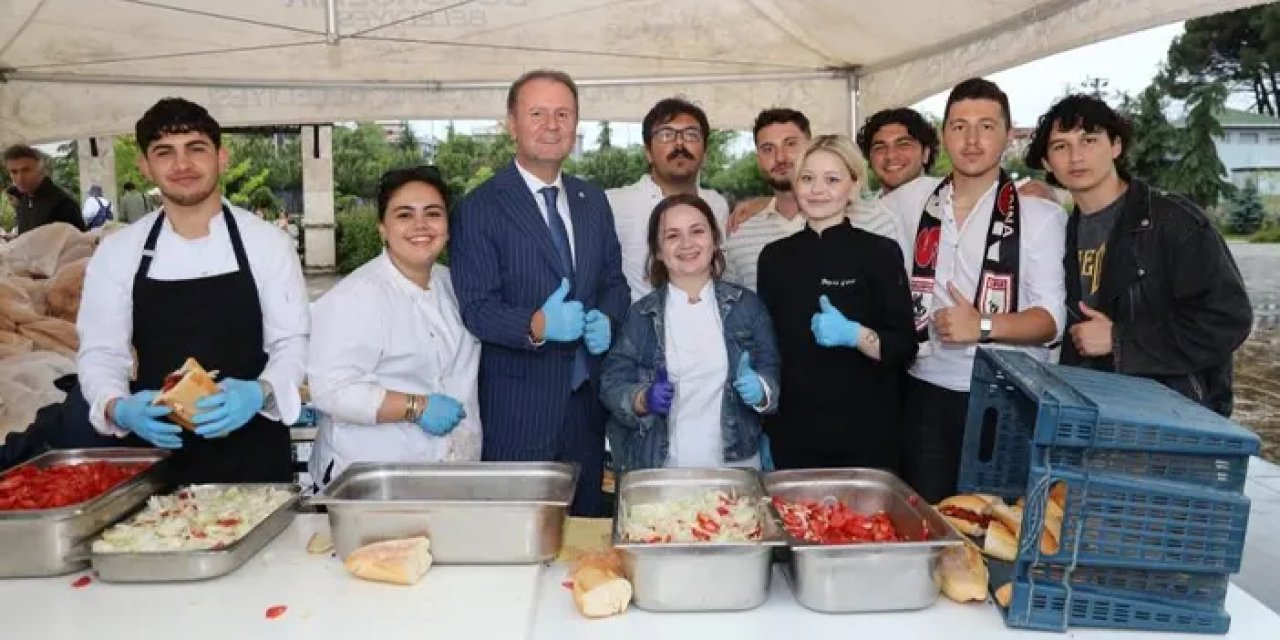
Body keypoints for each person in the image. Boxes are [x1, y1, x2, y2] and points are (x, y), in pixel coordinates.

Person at [76, 98, 309, 484]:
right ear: (144, 166)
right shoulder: (119, 252)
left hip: (255, 451)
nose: (182, 165)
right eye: (164, 153)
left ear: (222, 157)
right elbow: (100, 351)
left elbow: (292, 344)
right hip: (157, 457)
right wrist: (118, 407)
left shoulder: (267, 244)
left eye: (195, 149)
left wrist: (260, 393)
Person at [449, 70, 629, 517]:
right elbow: (476, 307)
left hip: (586, 405)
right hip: (518, 409)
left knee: (585, 529)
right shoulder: (480, 207)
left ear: (576, 123)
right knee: (518, 531)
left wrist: (607, 315)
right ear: (512, 124)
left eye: (563, 113)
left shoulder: (592, 200)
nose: (552, 124)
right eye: (537, 113)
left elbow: (614, 281)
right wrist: (537, 324)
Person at [877, 78, 1066, 503]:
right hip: (924, 389)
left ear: (1008, 134)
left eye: (986, 126)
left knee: (994, 523)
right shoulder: (913, 201)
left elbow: (1052, 321)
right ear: (943, 135)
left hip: (1005, 394)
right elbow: (843, 202)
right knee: (928, 519)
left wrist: (982, 324)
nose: (973, 140)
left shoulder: (1039, 214)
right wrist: (770, 204)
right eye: (959, 126)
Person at [1026, 94, 1252, 416]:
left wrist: (1121, 340)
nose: (1076, 156)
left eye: (1089, 140)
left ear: (1116, 146)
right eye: (1061, 146)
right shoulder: (1063, 232)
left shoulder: (1172, 221)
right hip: (1100, 415)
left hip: (1175, 418)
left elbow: (1229, 319)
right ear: (1048, 163)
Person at [306, 166, 481, 488]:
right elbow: (331, 391)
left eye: (433, 213)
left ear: (448, 227)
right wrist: (417, 407)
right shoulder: (354, 297)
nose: (421, 225)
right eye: (404, 215)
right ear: (382, 228)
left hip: (454, 473)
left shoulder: (457, 286)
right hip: (371, 478)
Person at [757, 135, 917, 471]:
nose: (817, 189)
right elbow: (768, 346)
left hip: (867, 434)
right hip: (794, 432)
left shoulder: (881, 253)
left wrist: (856, 335)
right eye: (807, 178)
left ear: (854, 186)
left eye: (832, 179)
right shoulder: (773, 258)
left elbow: (904, 346)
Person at [600, 194, 780, 474]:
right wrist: (642, 399)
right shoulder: (641, 315)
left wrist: (761, 391)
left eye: (697, 231)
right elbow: (611, 384)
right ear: (658, 251)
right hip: (660, 470)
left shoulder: (747, 307)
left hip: (737, 468)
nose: (687, 244)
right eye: (672, 236)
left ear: (715, 239)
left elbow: (771, 372)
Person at [723, 109, 894, 291]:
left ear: (810, 148)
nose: (780, 157)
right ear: (758, 159)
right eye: (768, 149)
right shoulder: (741, 233)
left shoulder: (875, 220)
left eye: (790, 144)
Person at [607, 98, 730, 301]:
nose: (679, 144)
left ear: (705, 153)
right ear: (648, 152)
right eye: (666, 135)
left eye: (691, 135)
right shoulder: (615, 204)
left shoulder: (717, 205)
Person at [856, 107, 940, 195]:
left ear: (925, 154)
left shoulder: (948, 202)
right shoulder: (864, 207)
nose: (890, 155)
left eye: (903, 144)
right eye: (880, 147)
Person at [3, 144, 85, 234]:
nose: (20, 178)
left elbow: (80, 244)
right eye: (14, 172)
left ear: (41, 171)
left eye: (26, 170)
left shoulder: (62, 205)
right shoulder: (24, 201)